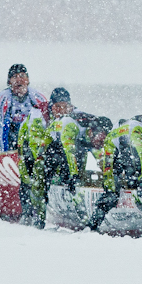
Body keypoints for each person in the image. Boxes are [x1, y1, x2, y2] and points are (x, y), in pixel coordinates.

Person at [29, 88, 83, 228]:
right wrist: (41, 162)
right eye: (57, 106)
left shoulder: (73, 114)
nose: (61, 110)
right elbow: (35, 143)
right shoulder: (38, 114)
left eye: (65, 106)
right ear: (50, 106)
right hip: (33, 145)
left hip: (57, 146)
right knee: (39, 172)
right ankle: (37, 215)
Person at [0, 64, 49, 151]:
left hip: (32, 132)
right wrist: (4, 153)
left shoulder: (37, 97)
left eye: (22, 76)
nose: (19, 80)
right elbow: (2, 128)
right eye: (14, 77)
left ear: (27, 80)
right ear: (9, 82)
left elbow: (48, 122)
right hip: (12, 133)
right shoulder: (4, 98)